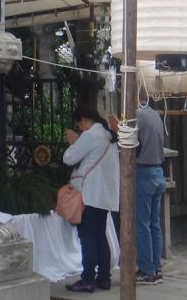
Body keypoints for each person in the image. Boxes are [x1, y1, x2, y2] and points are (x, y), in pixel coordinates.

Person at [63, 106, 119, 292]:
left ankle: (87, 279)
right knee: (100, 235)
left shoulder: (90, 135)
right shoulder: (108, 136)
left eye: (79, 124)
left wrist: (73, 143)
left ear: (84, 120)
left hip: (88, 194)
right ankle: (104, 278)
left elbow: (69, 158)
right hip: (104, 195)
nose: (79, 128)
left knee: (87, 238)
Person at [134, 92, 167, 285]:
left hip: (144, 171)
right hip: (158, 171)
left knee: (143, 225)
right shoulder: (155, 115)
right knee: (155, 224)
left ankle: (147, 271)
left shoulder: (136, 115)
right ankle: (157, 268)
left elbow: (130, 142)